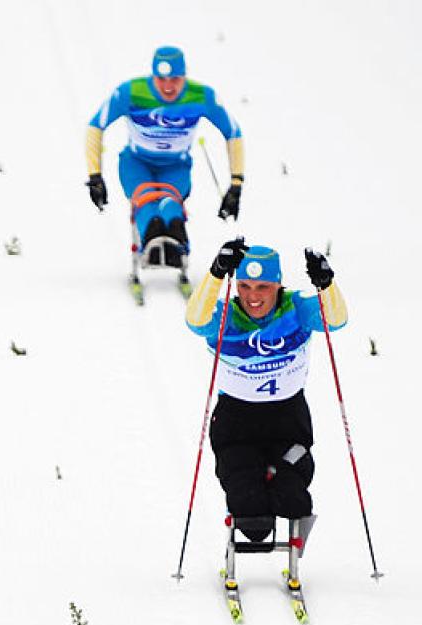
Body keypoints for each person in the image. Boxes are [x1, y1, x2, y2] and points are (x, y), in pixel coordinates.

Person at [185, 240, 347, 541]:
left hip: (288, 422)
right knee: (252, 517)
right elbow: (195, 320)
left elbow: (336, 320)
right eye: (245, 286)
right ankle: (257, 489)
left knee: (294, 498)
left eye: (263, 287)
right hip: (236, 424)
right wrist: (216, 274)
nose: (252, 296)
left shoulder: (296, 309)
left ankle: (277, 487)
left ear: (278, 284)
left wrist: (326, 284)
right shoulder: (226, 318)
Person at [85, 45, 244, 265]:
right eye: (161, 79)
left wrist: (236, 183)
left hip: (175, 166)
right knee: (147, 201)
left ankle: (177, 244)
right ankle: (151, 240)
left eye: (175, 79)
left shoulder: (201, 96)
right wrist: (95, 176)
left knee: (170, 203)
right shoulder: (130, 92)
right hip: (136, 163)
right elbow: (95, 126)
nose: (168, 86)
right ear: (153, 75)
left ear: (184, 76)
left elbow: (233, 132)